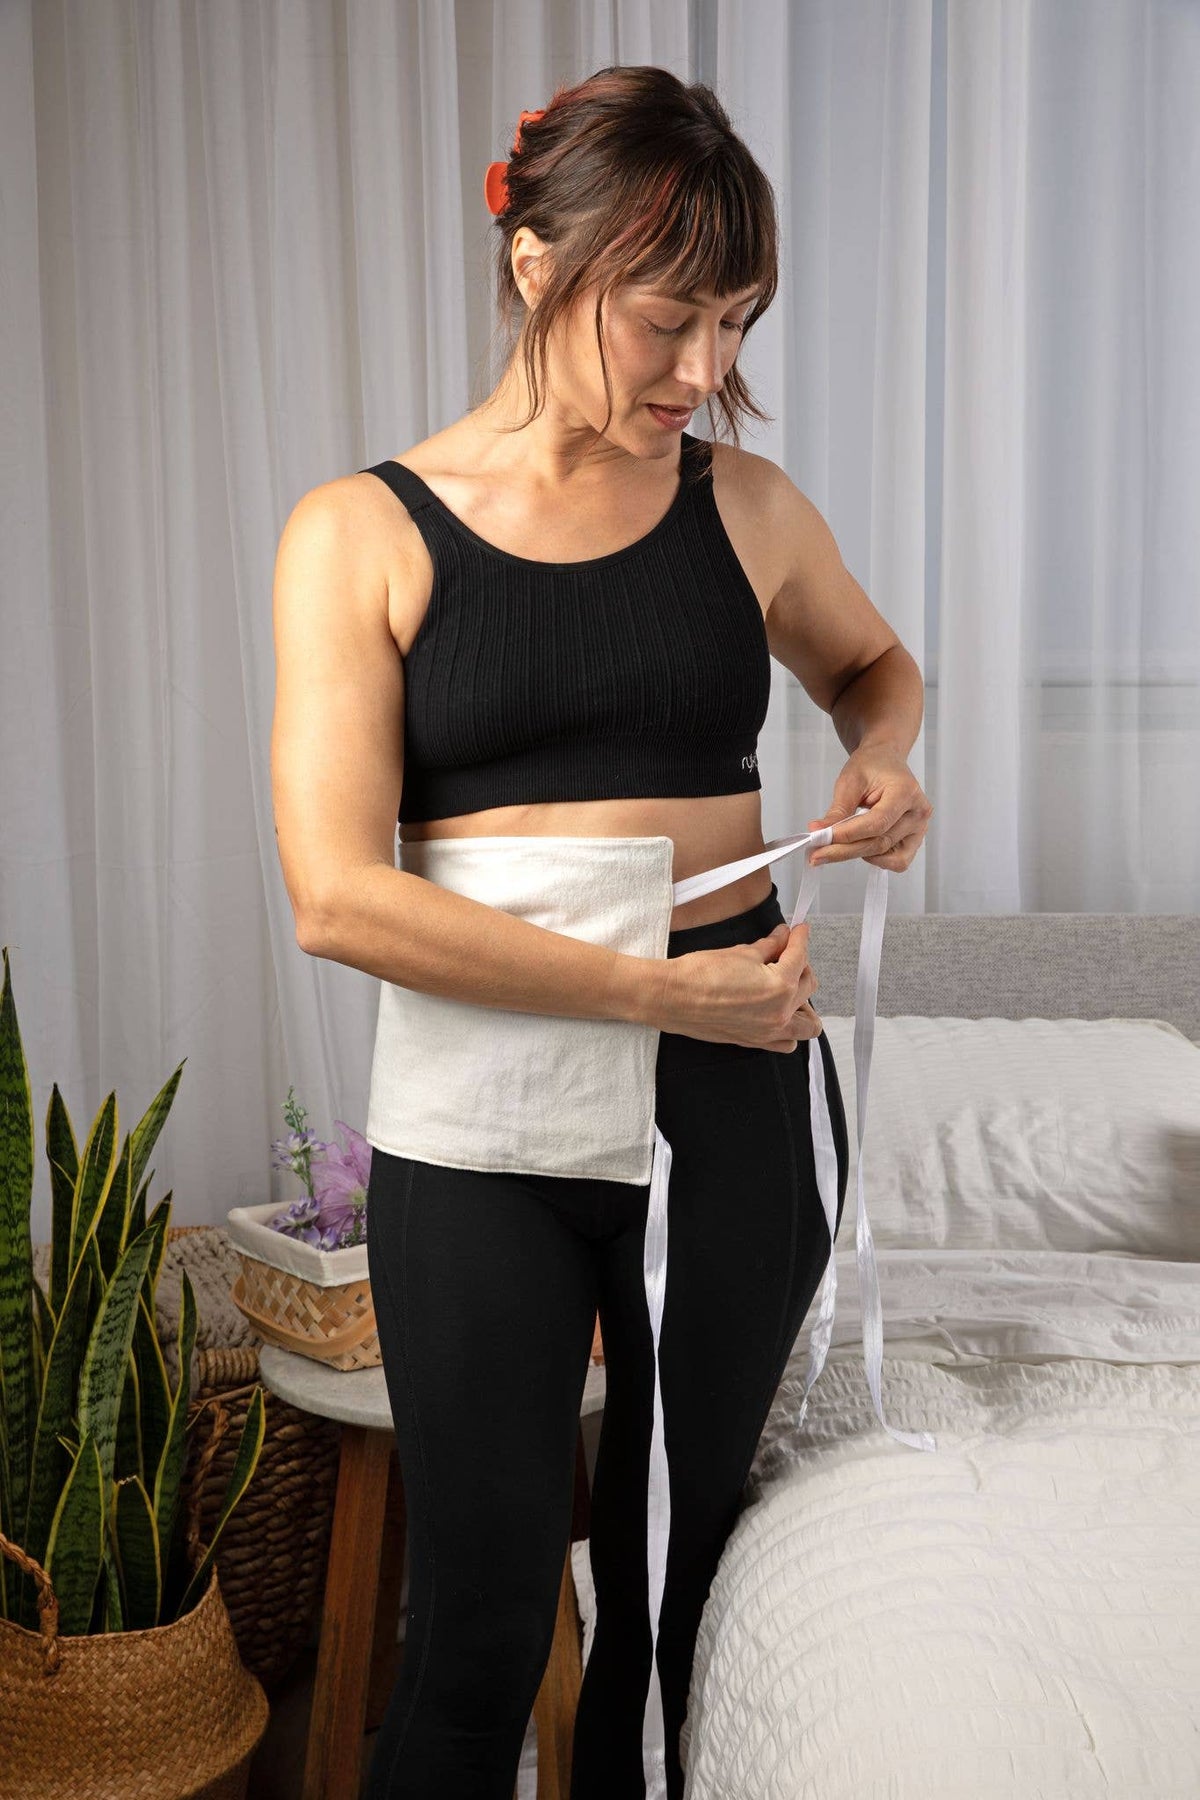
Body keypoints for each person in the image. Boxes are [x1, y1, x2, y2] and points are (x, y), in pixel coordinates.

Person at [271, 61, 929, 1800]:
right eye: (668, 319)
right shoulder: (361, 535)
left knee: (678, 1597)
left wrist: (883, 757)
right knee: (475, 1635)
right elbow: (337, 895)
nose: (707, 370)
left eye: (738, 321)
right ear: (537, 268)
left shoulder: (745, 510)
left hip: (734, 1098)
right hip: (484, 1128)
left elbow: (875, 665)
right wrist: (657, 994)